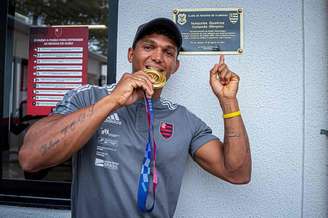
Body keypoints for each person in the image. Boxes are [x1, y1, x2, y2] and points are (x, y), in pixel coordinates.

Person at [19, 18, 251, 218]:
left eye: (169, 52)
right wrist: (113, 101)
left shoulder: (184, 120)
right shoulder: (88, 97)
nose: (158, 57)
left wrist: (228, 100)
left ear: (175, 66)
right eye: (148, 46)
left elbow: (237, 173)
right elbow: (31, 158)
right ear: (131, 54)